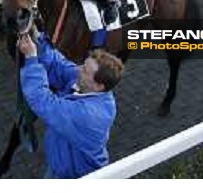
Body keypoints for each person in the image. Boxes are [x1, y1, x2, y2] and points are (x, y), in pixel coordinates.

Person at [18, 32, 124, 179]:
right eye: (83, 65)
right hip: (63, 164)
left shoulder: (88, 114)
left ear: (99, 86)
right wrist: (40, 40)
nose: (78, 69)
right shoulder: (90, 87)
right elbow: (61, 66)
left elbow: (42, 100)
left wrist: (31, 58)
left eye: (85, 71)